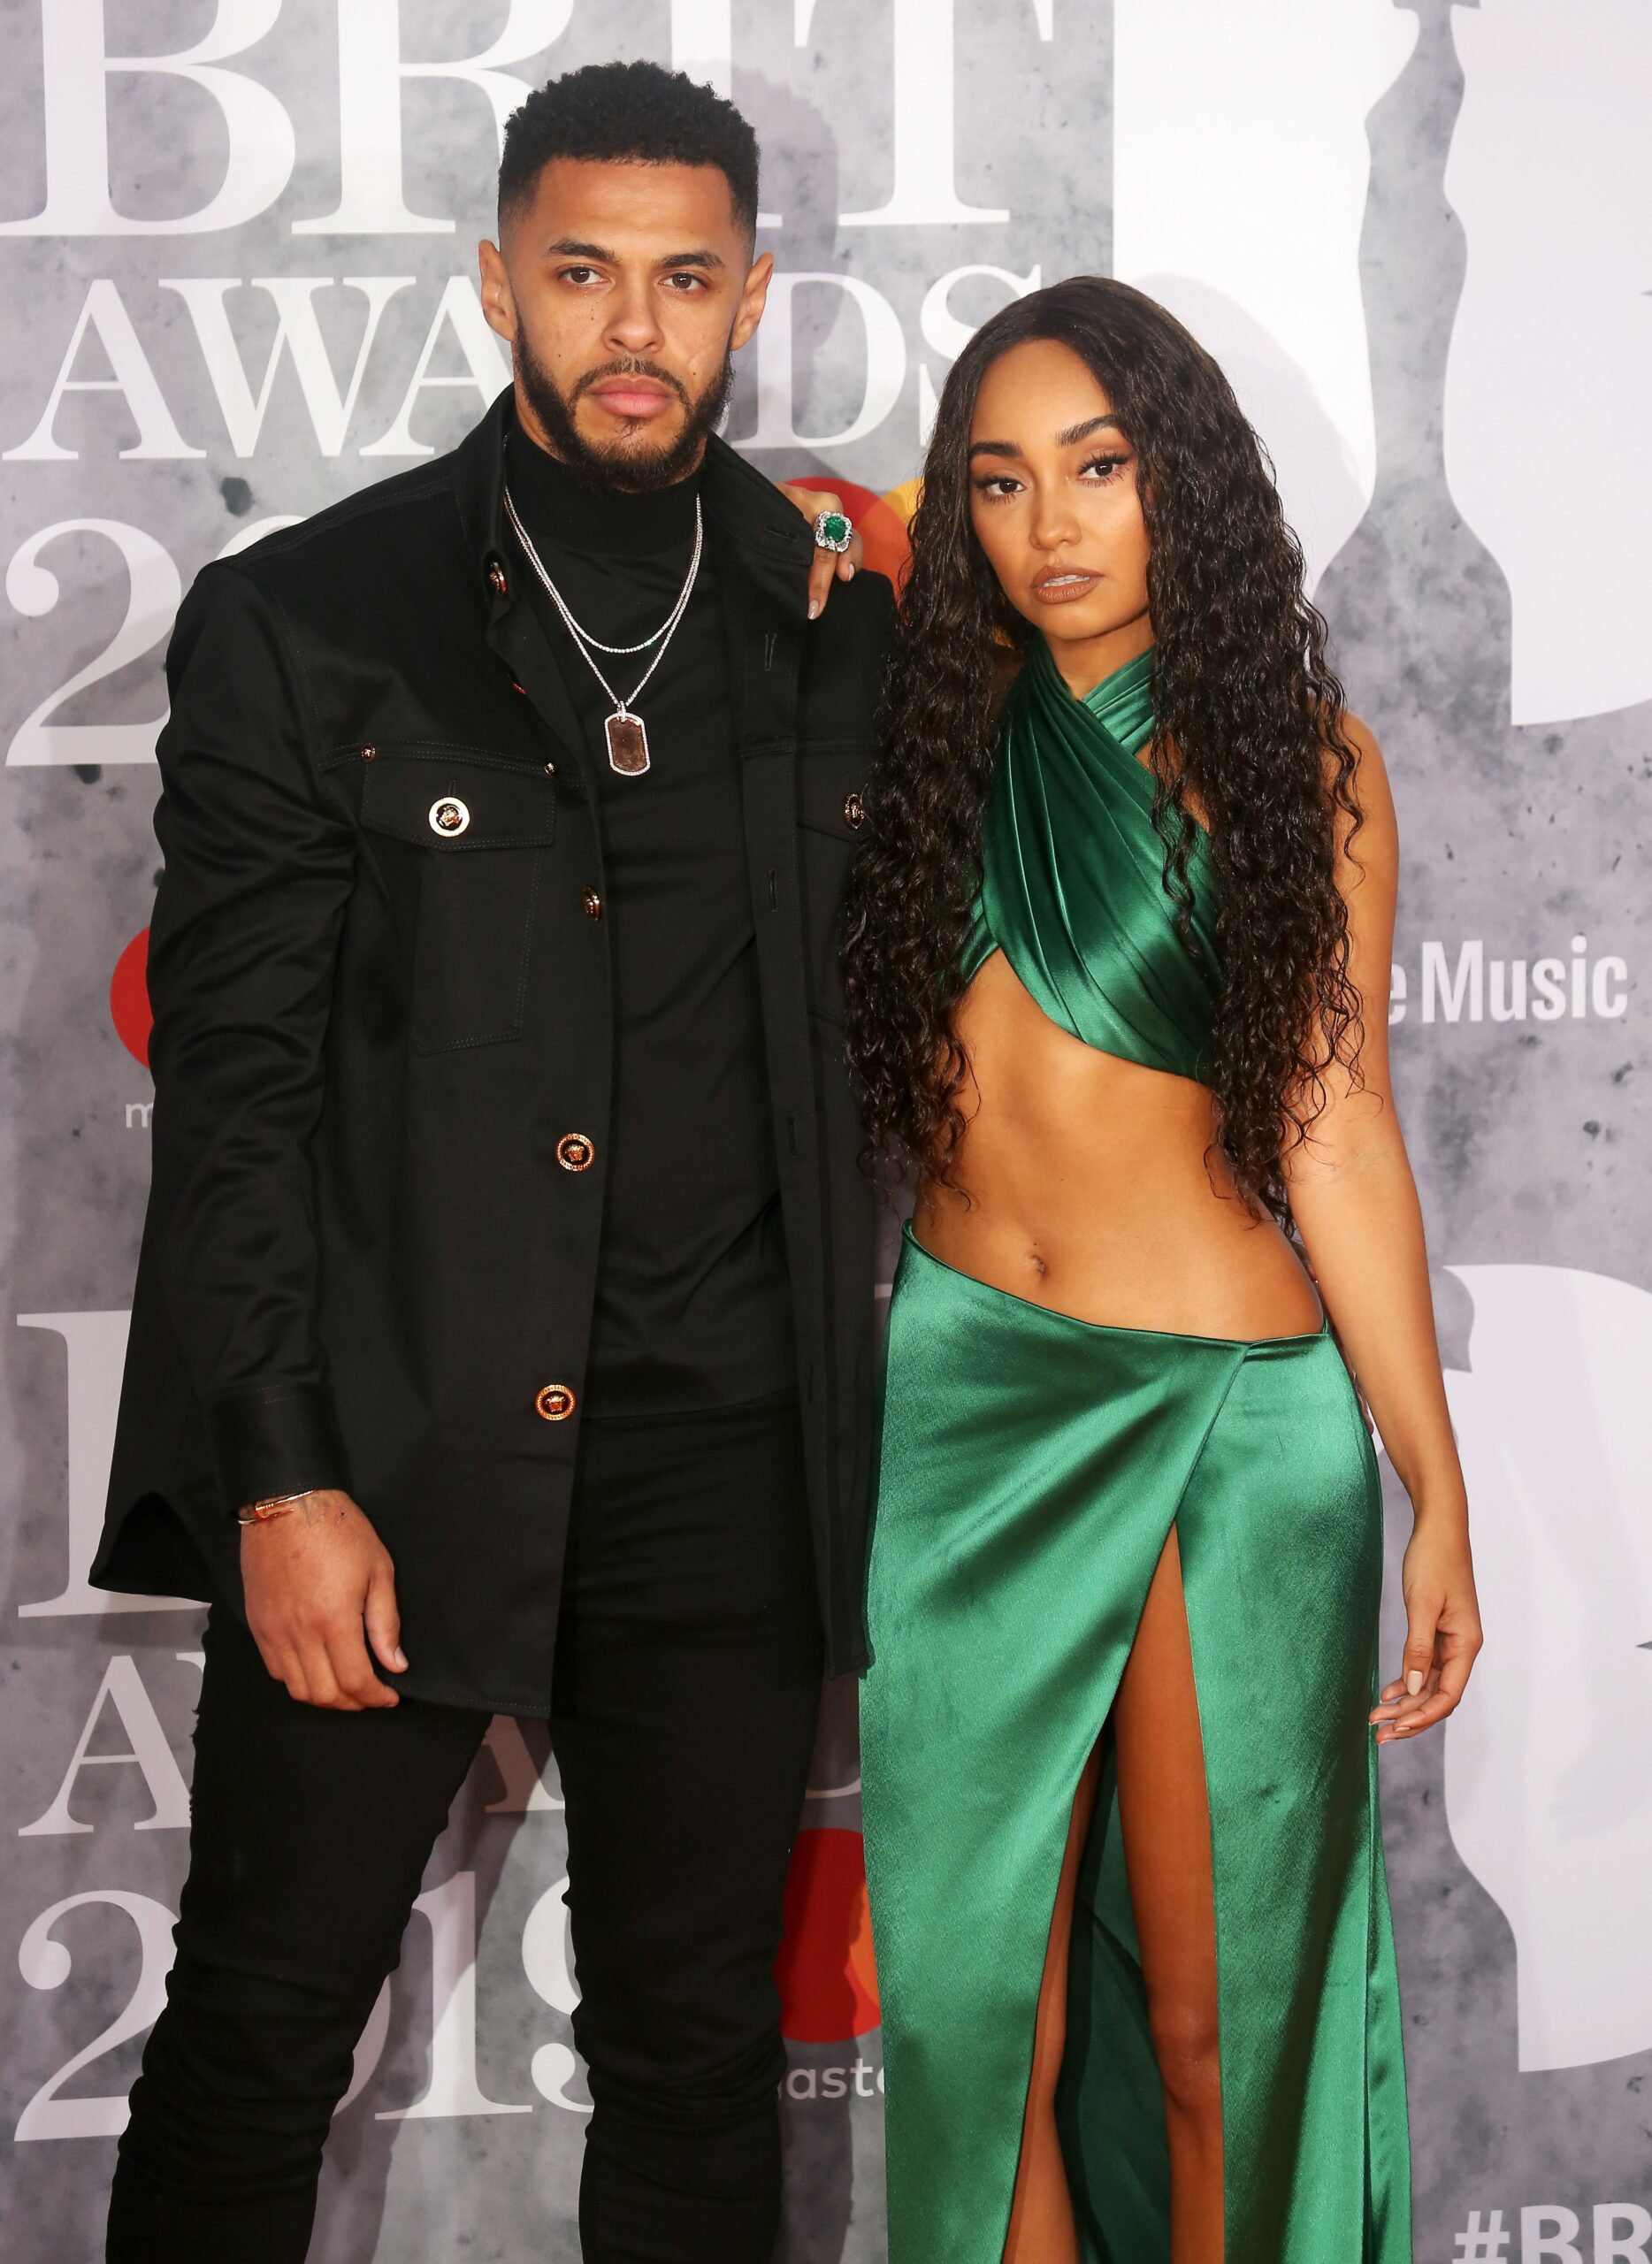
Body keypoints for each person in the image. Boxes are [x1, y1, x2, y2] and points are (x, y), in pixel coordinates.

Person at [93, 60, 891, 2264]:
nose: (633, 326)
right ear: (495, 284)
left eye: (684, 278)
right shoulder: (309, 624)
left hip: (724, 1458)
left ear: (746, 295)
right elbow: (235, 1096)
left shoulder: (850, 632)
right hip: (392, 1440)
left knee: (695, 2053)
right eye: (581, 273)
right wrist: (278, 1473)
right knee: (259, 2031)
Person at [843, 277, 1483, 2264]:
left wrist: (1429, 1472)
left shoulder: (1300, 760)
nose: (1051, 527)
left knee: (1217, 2028)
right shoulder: (924, 732)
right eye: (1000, 480)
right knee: (967, 2020)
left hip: (1226, 1420)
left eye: (1100, 471)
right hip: (966, 1404)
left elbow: (1330, 1122)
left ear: (1177, 484)